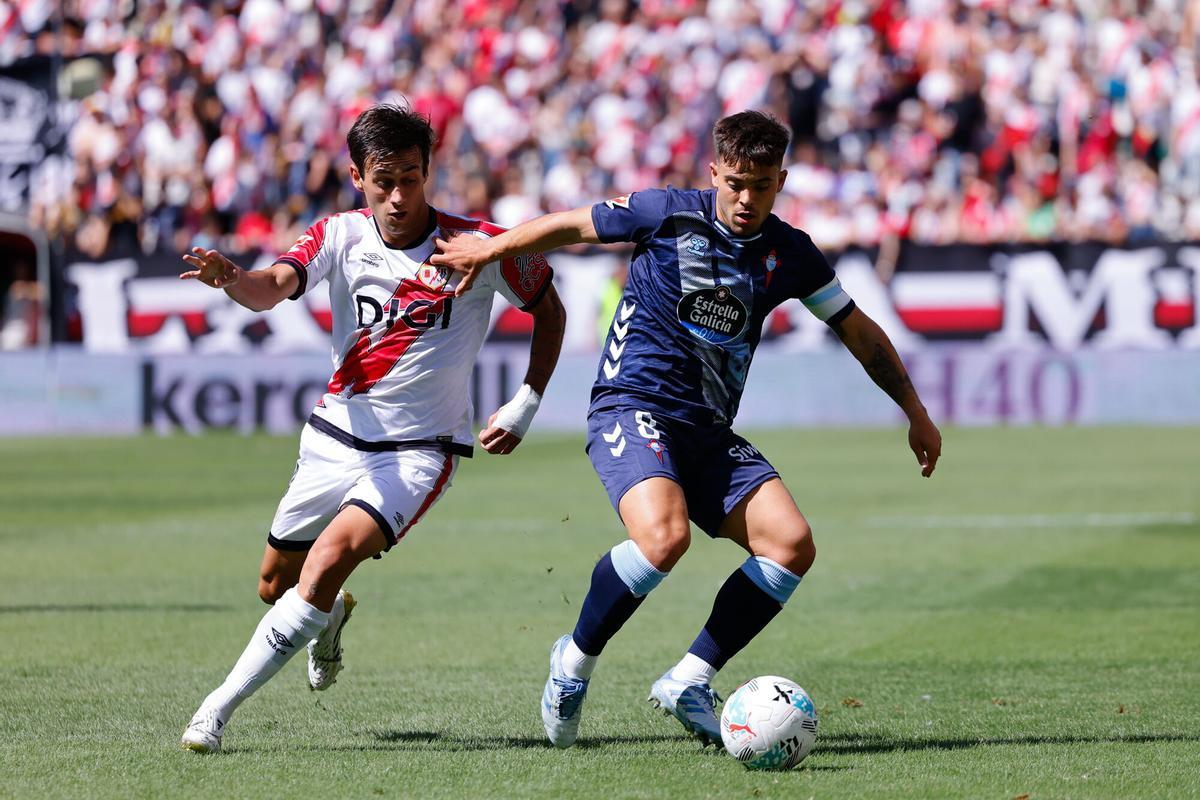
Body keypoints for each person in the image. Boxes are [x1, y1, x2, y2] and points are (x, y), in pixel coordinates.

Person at [431, 110, 941, 748]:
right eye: (736, 183)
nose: (746, 199)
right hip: (631, 405)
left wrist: (915, 410)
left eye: (761, 185)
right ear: (714, 172)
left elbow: (858, 331)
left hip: (708, 430)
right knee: (664, 538)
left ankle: (689, 680)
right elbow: (570, 224)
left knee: (790, 544)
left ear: (781, 181)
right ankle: (574, 661)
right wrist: (492, 247)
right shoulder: (664, 213)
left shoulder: (790, 252)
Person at [177, 104, 566, 753]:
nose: (398, 197)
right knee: (275, 585)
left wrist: (527, 401)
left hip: (418, 452)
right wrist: (233, 279)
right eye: (384, 181)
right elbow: (272, 286)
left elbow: (549, 311)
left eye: (410, 179)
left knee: (327, 560)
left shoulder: (479, 244)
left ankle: (213, 714)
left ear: (427, 171)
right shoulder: (339, 234)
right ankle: (328, 620)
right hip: (334, 437)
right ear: (357, 176)